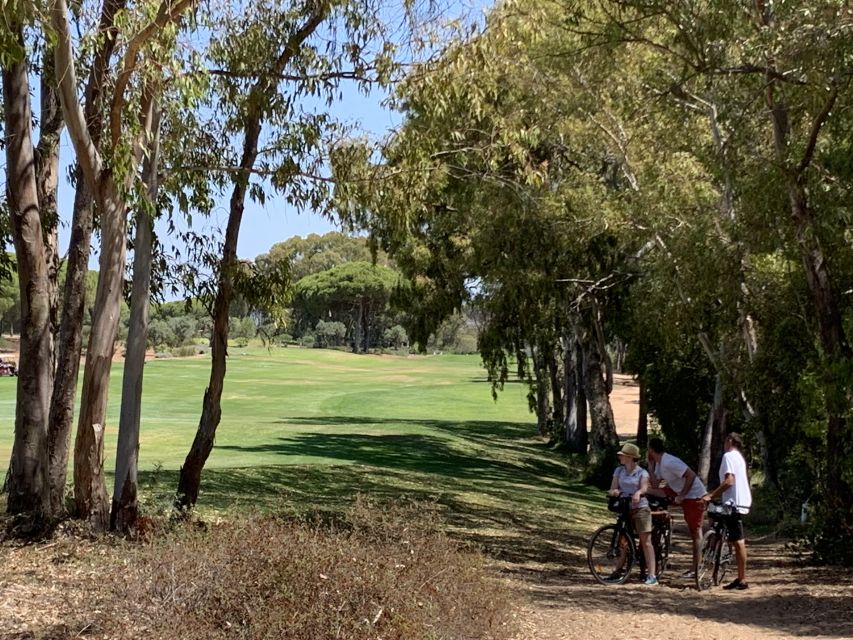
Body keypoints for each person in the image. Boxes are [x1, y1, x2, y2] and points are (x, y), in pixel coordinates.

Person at [646, 437, 706, 580]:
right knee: (650, 491)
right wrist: (650, 466)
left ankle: (697, 567)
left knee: (695, 532)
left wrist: (683, 495)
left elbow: (690, 475)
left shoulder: (669, 462)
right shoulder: (659, 464)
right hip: (677, 491)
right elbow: (655, 485)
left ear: (651, 450)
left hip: (693, 495)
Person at [703, 432, 752, 590]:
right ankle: (734, 572)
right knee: (732, 536)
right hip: (737, 502)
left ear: (730, 441)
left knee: (738, 540)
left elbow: (729, 481)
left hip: (733, 503)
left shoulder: (729, 456)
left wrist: (712, 494)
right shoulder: (739, 457)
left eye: (725, 441)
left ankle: (742, 578)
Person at [608, 442, 657, 585]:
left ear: (630, 457)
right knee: (624, 542)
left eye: (623, 455)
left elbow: (644, 488)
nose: (620, 458)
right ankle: (618, 570)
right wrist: (615, 492)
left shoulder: (642, 473)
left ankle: (652, 575)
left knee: (646, 542)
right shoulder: (619, 471)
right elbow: (612, 488)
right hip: (625, 508)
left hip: (640, 508)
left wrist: (638, 493)